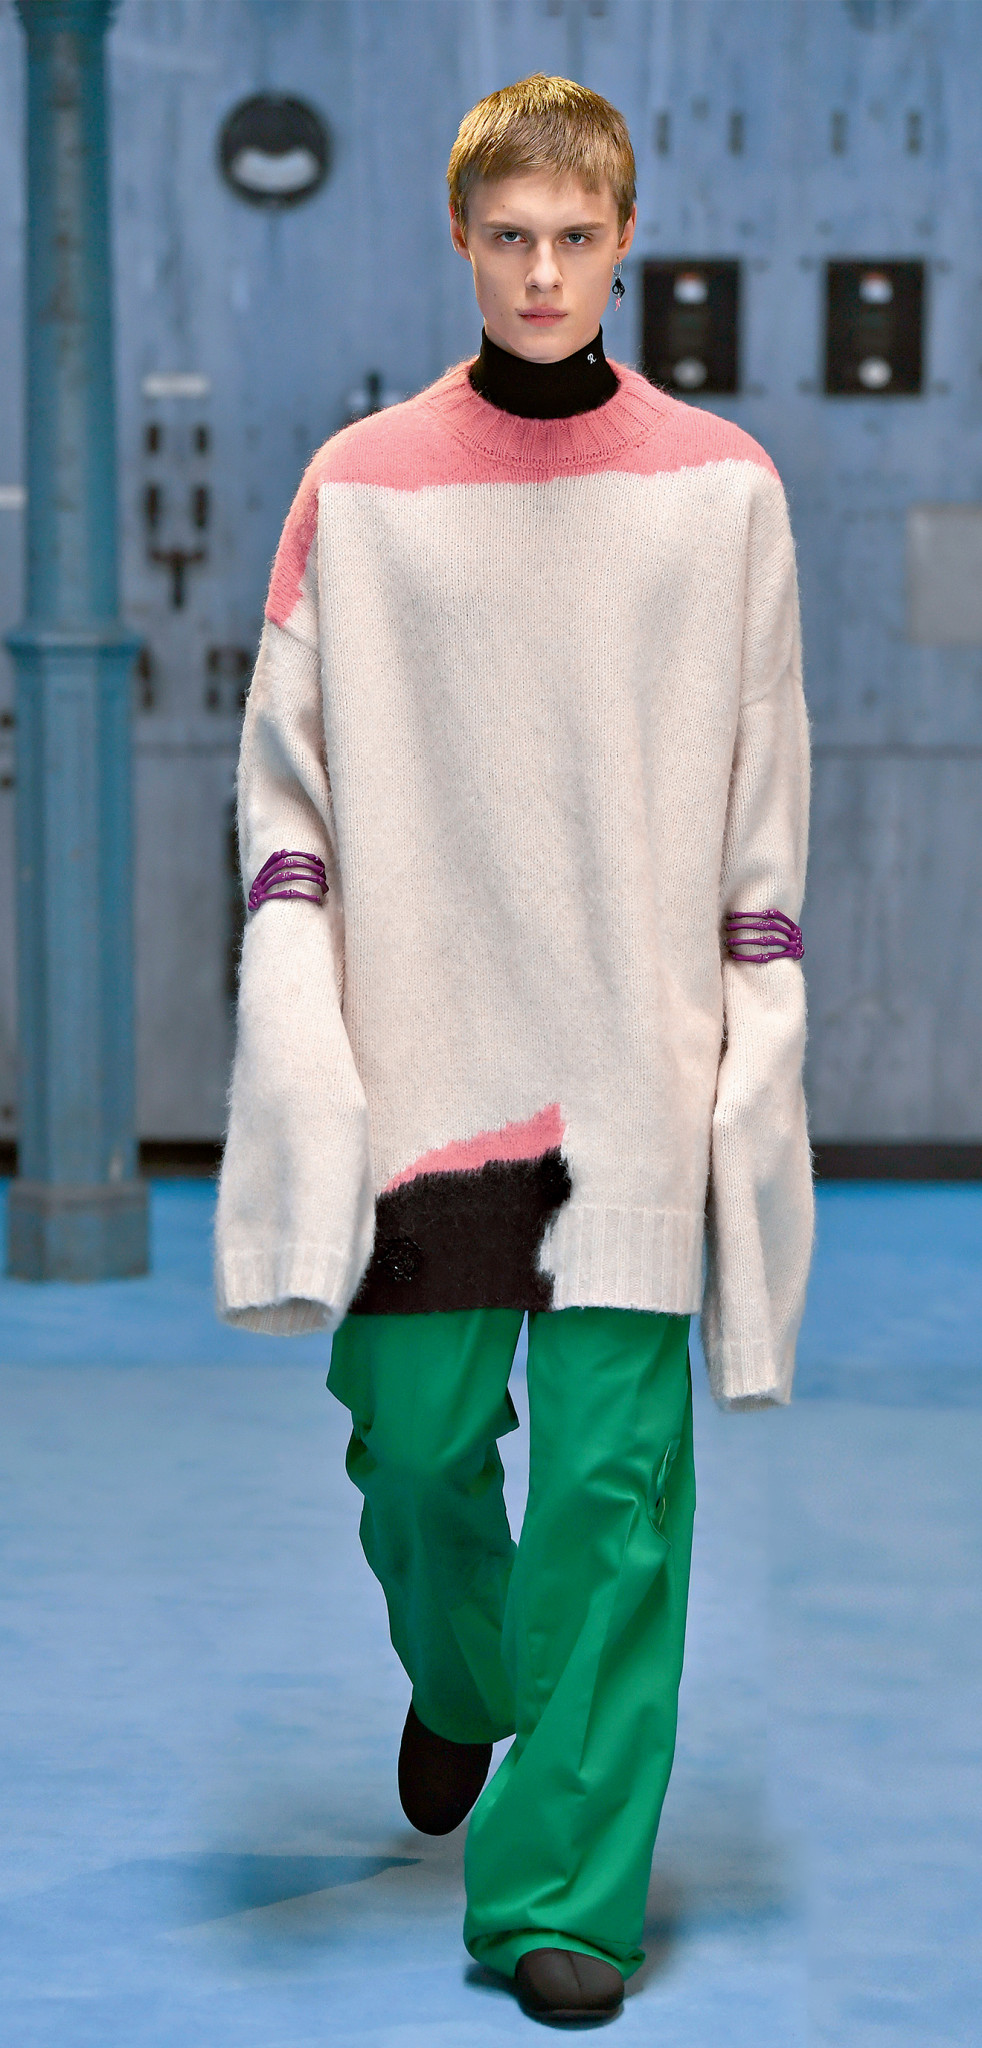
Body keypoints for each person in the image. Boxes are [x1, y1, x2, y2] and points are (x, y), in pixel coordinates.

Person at [215, 72, 812, 2028]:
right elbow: (286, 782)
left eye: (574, 239)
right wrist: (302, 1009)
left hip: (633, 1066)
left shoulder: (721, 491)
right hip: (437, 1073)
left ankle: (558, 1897)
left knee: (610, 1504)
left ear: (622, 242)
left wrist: (747, 1045)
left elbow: (761, 797)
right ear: (460, 243)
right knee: (409, 1448)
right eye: (508, 239)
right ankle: (466, 1679)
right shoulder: (361, 486)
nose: (543, 272)